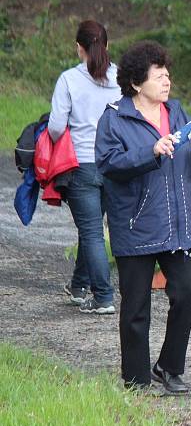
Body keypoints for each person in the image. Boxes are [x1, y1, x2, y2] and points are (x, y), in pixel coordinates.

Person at [95, 41, 191, 393]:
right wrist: (150, 151)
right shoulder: (115, 117)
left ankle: (169, 367)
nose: (166, 80)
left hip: (178, 223)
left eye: (167, 73)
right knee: (136, 308)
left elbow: (190, 159)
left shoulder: (175, 112)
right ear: (135, 83)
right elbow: (109, 165)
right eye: (157, 74)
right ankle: (136, 380)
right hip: (136, 224)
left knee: (188, 290)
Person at [49, 20, 121, 314]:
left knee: (90, 231)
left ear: (79, 48)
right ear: (107, 45)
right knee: (90, 227)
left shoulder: (69, 79)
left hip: (81, 165)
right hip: (115, 164)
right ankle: (79, 286)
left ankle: (103, 296)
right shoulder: (122, 77)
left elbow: (55, 127)